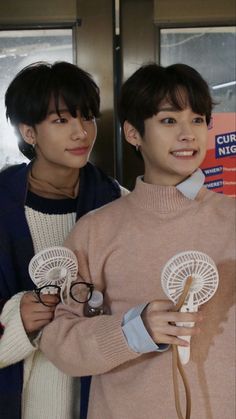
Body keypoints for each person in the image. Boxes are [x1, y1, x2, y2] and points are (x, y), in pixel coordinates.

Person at [40, 63, 235, 419]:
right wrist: (133, 331)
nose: (188, 134)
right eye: (169, 120)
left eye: (197, 119)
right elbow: (57, 340)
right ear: (133, 133)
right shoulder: (96, 229)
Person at [0, 61, 128, 419]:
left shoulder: (117, 201)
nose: (81, 133)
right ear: (29, 132)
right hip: (23, 398)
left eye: (87, 118)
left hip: (102, 393)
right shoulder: (4, 204)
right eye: (62, 121)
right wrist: (17, 319)